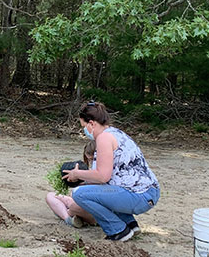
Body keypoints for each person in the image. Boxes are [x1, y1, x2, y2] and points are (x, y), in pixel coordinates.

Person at [63, 101, 160, 241]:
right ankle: (130, 224)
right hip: (149, 192)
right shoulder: (116, 133)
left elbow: (102, 176)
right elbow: (107, 176)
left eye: (84, 126)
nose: (84, 131)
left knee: (79, 194)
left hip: (138, 196)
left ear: (92, 123)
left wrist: (77, 174)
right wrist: (82, 177)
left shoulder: (103, 138)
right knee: (101, 191)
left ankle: (117, 231)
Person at [45, 140, 97, 227]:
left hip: (95, 210)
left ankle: (67, 215)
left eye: (92, 160)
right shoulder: (91, 171)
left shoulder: (104, 172)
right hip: (86, 205)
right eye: (89, 160)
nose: (91, 163)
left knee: (73, 207)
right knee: (50, 196)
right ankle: (69, 218)